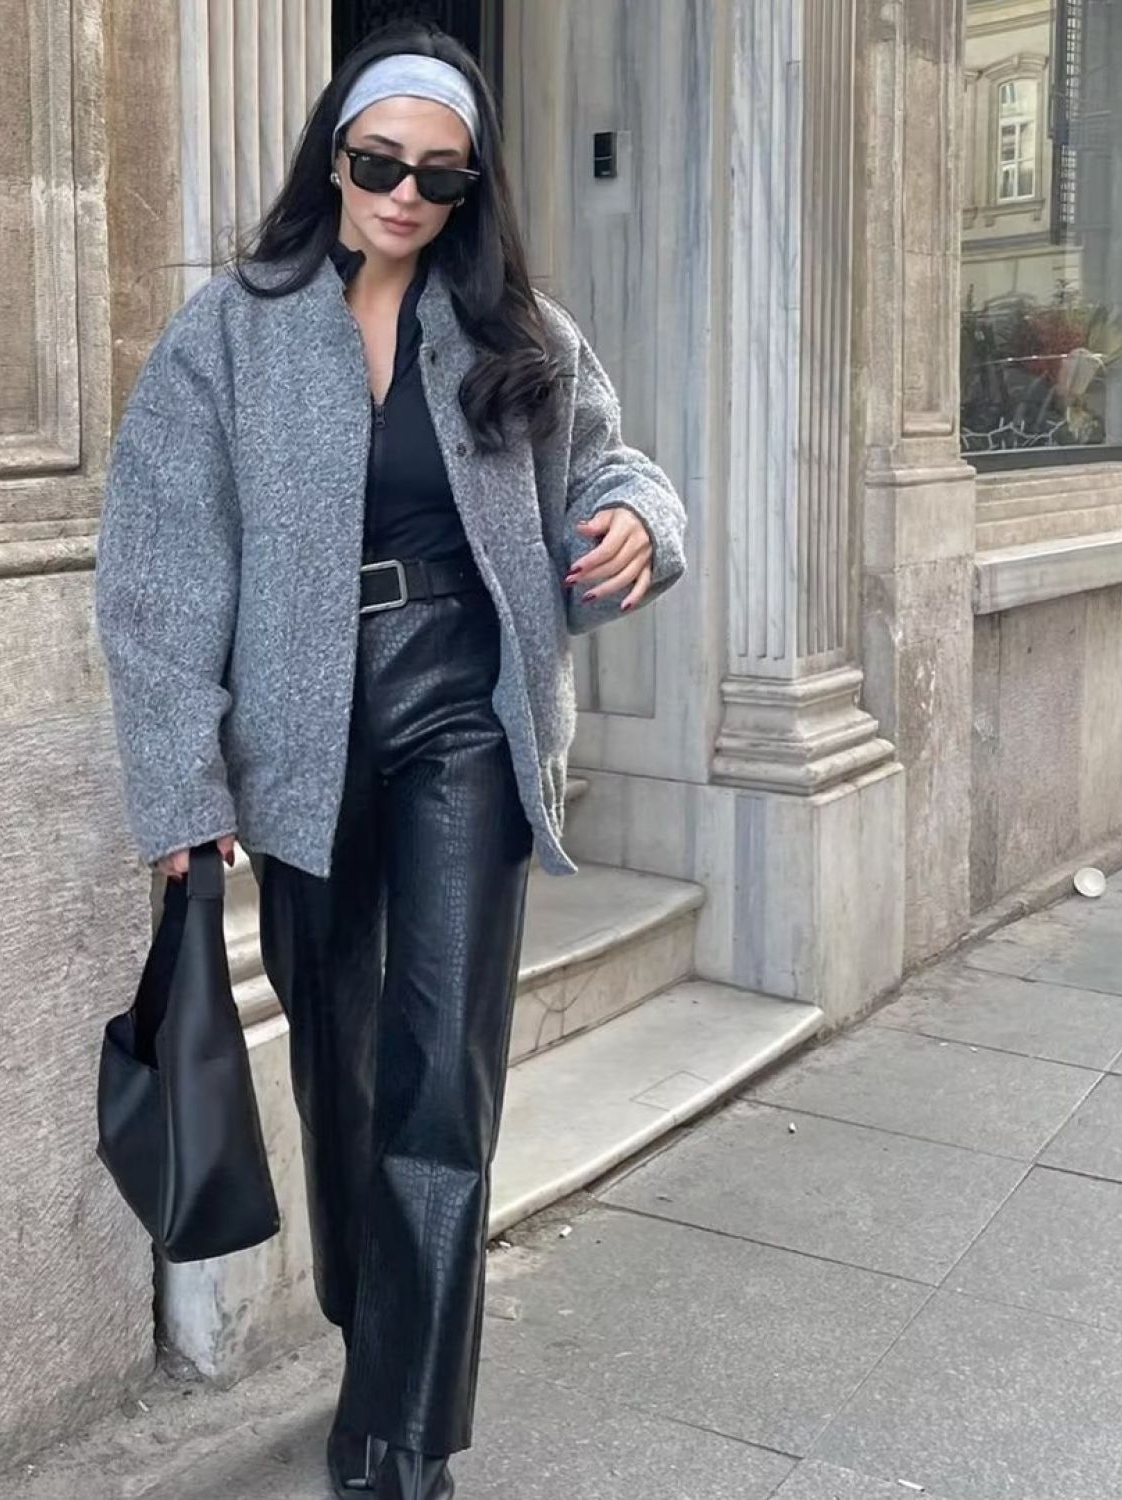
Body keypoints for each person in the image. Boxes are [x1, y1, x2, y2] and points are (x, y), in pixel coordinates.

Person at [94, 22, 687, 1500]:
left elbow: (609, 460)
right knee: (344, 1074)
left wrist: (637, 519)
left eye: (440, 175)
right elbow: (161, 568)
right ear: (334, 161)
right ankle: (380, 1338)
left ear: (472, 188)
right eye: (380, 164)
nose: (407, 195)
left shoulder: (517, 331)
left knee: (441, 1072)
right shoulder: (229, 331)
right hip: (296, 732)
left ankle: (403, 1441)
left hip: (460, 713)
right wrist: (182, 785)